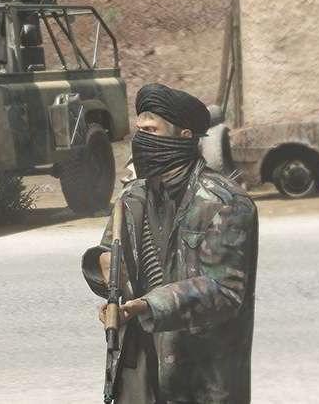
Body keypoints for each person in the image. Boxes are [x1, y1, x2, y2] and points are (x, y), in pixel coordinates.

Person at [81, 83, 259, 404]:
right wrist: (105, 269)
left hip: (199, 379)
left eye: (151, 131)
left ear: (184, 136)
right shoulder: (132, 197)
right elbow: (110, 252)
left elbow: (224, 290)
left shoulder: (225, 203)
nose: (141, 141)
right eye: (139, 131)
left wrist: (148, 306)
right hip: (140, 375)